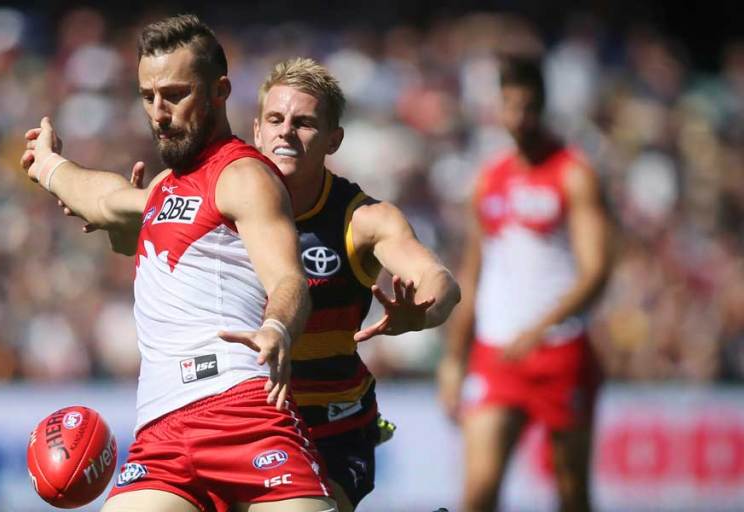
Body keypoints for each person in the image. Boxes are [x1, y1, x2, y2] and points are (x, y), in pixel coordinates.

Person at [21, 15, 337, 512]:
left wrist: (278, 326)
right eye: (147, 96)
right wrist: (50, 166)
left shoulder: (242, 175)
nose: (159, 112)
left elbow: (288, 279)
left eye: (174, 94)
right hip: (161, 433)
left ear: (219, 91)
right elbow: (103, 199)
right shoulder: (166, 187)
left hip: (241, 410)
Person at [251, 57, 460, 512]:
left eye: (304, 122)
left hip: (333, 428)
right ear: (256, 130)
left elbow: (440, 282)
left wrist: (422, 312)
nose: (286, 131)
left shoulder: (362, 219)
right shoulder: (224, 203)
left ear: (333, 139)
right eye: (275, 119)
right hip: (248, 421)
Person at [436, 56, 610, 512]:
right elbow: (474, 272)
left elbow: (597, 271)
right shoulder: (489, 179)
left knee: (572, 494)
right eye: (509, 106)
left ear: (543, 106)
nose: (518, 118)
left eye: (527, 106)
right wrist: (455, 357)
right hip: (496, 355)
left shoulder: (573, 173)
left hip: (560, 350)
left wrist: (540, 328)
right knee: (477, 493)